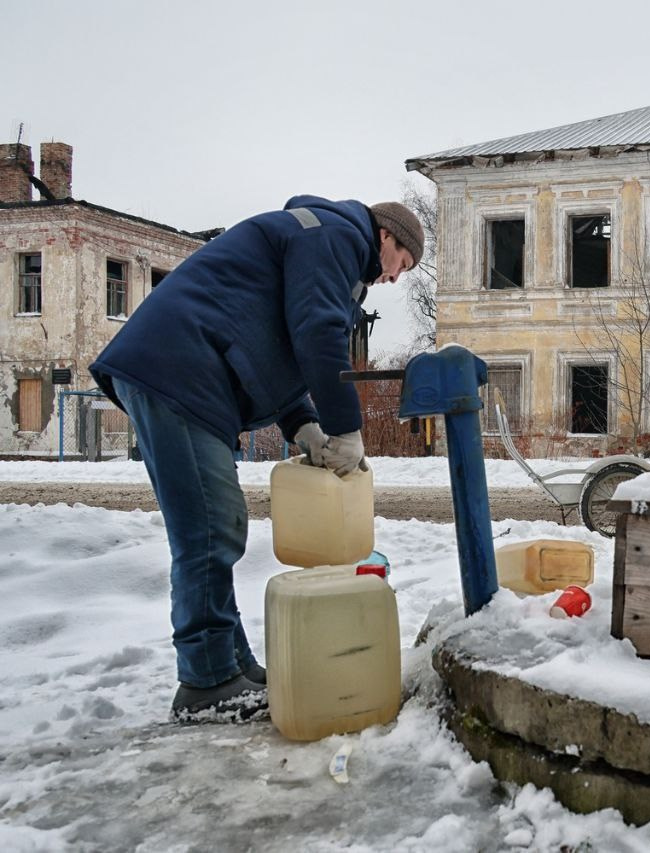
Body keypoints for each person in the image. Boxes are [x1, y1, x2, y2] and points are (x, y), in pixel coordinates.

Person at [90, 196, 424, 722]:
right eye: (402, 263)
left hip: (191, 373)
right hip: (179, 370)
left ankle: (231, 665)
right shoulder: (335, 236)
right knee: (209, 528)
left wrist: (303, 425)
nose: (396, 277)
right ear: (386, 236)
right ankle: (206, 682)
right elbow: (317, 333)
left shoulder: (321, 242)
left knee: (217, 524)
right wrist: (345, 427)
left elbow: (276, 343)